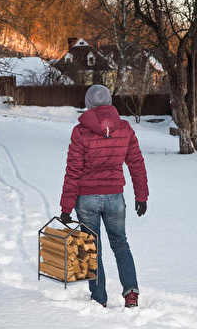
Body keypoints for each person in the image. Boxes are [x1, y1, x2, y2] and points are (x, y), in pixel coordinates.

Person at [60, 84, 149, 308]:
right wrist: (141, 195)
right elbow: (136, 163)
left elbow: (73, 170)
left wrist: (66, 207)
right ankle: (131, 293)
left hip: (87, 198)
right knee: (120, 244)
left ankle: (99, 298)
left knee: (90, 246)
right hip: (114, 197)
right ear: (110, 101)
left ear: (88, 104)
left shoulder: (80, 131)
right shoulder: (125, 128)